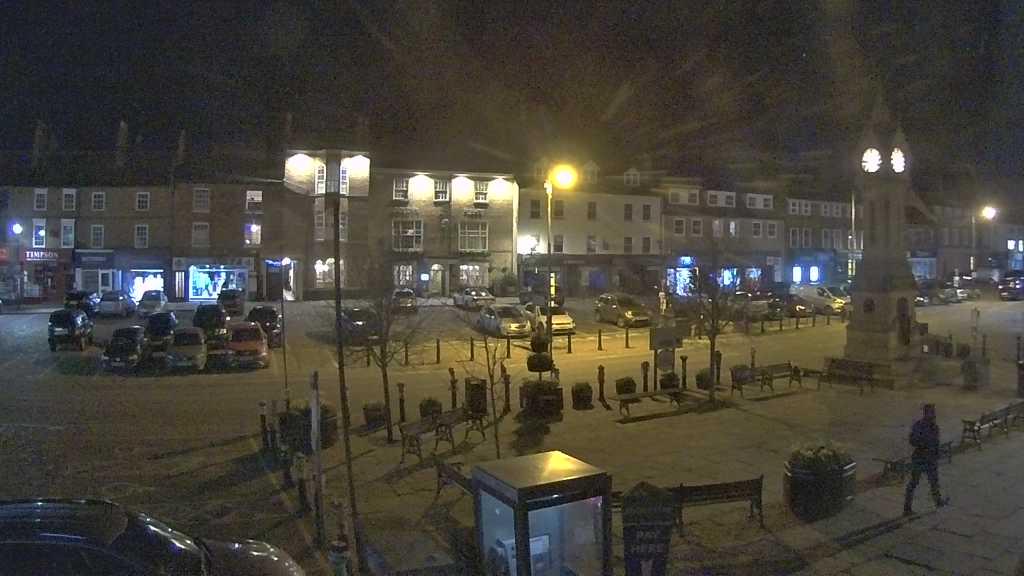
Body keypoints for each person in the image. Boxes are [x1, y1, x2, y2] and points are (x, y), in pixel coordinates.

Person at [904, 403, 950, 515]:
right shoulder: (920, 425)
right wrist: (923, 442)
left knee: (934, 482)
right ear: (926, 413)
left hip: (930, 459)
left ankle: (938, 501)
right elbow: (913, 440)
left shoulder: (934, 426)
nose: (934, 414)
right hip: (920, 458)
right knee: (913, 483)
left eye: (934, 412)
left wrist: (937, 453)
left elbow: (936, 442)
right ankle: (907, 507)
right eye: (932, 412)